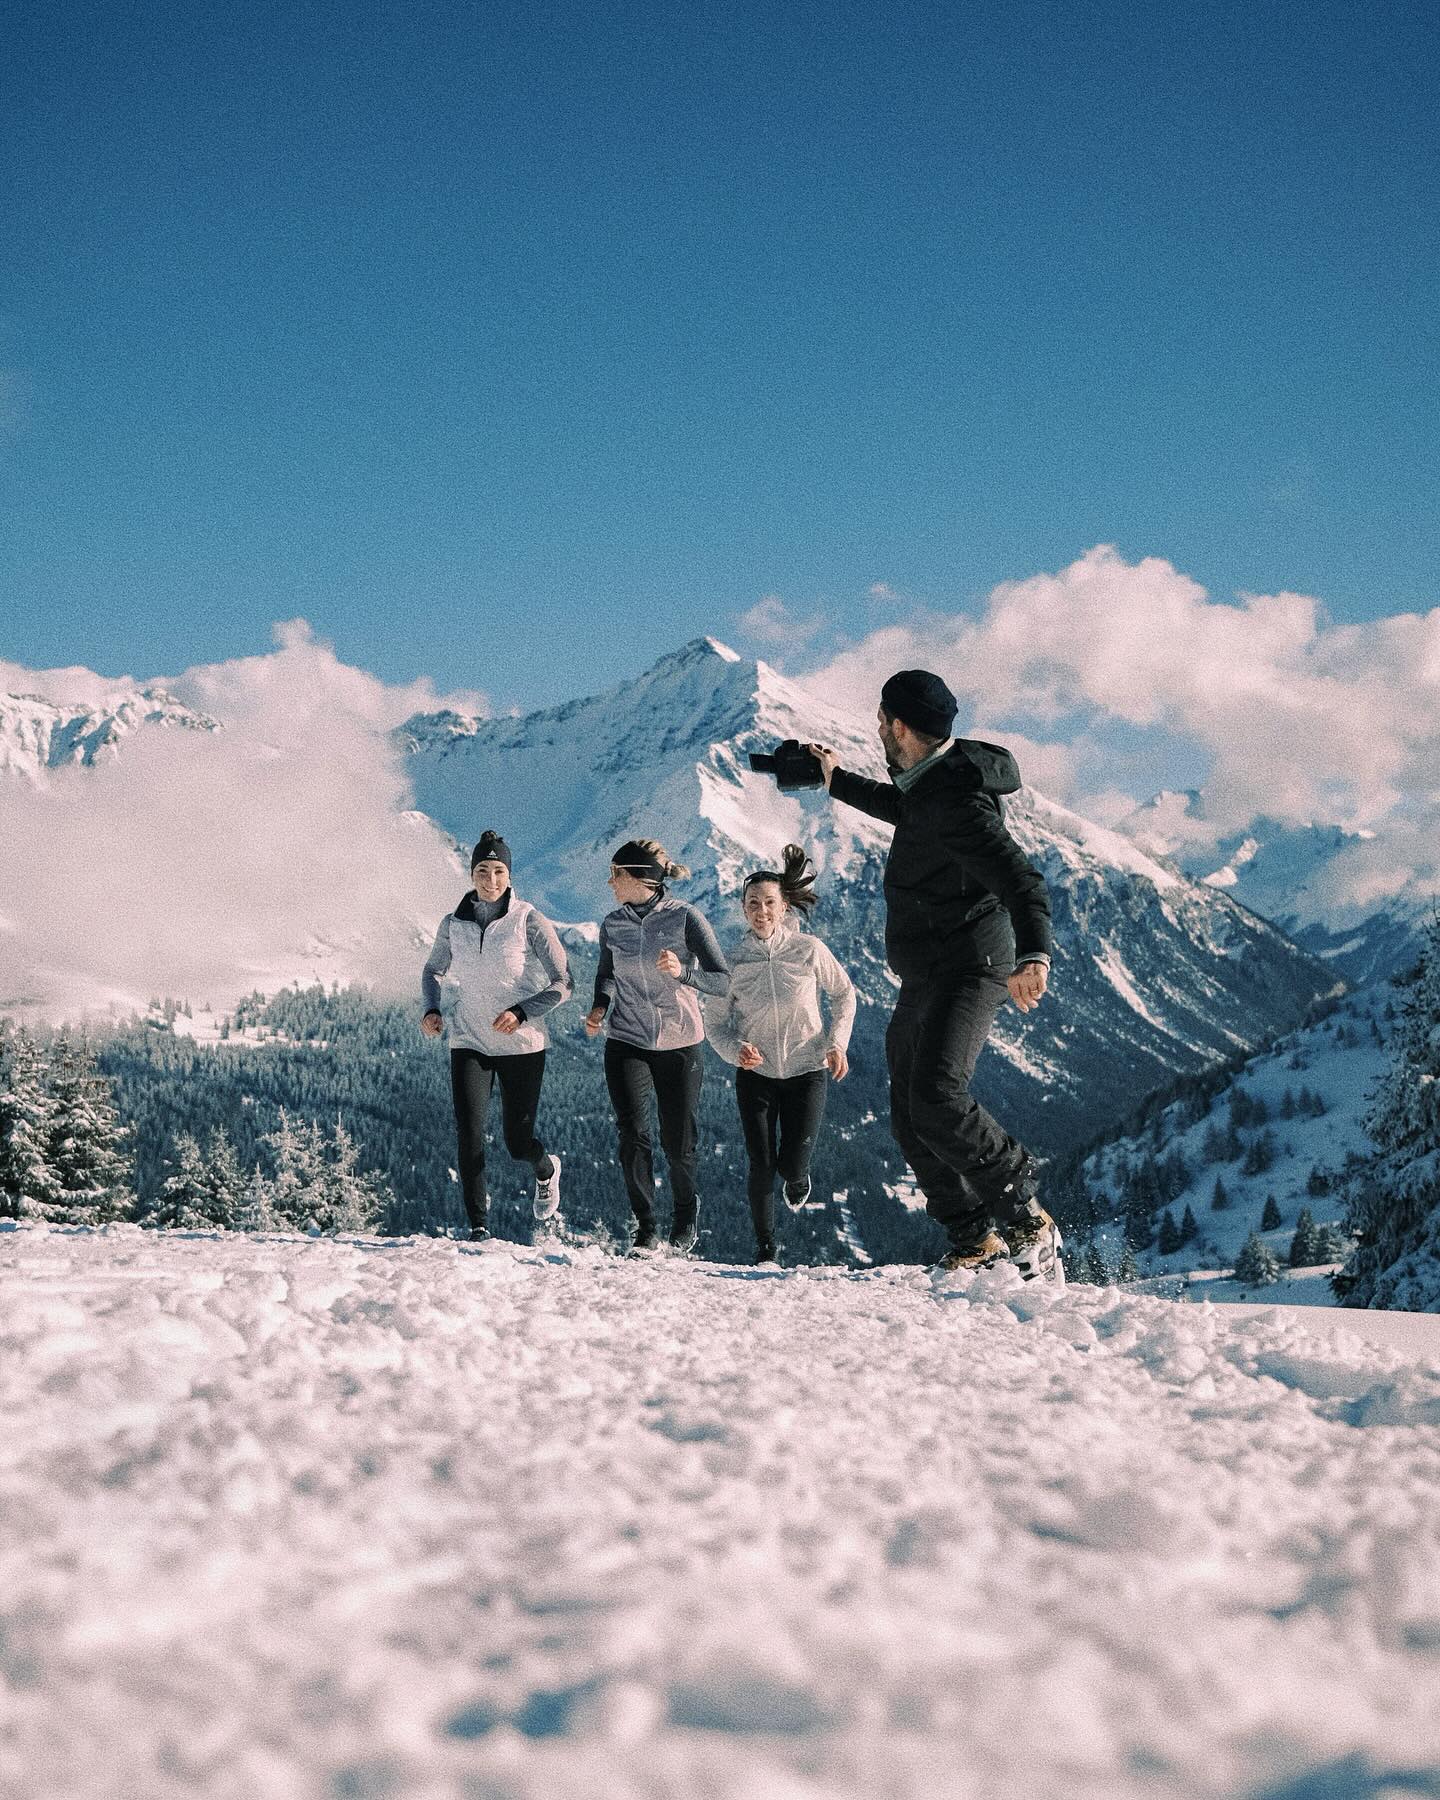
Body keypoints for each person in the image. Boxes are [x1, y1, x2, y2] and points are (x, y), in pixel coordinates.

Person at [806, 669, 1061, 1281]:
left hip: (973, 965)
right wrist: (835, 779)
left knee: (938, 1096)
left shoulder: (961, 803)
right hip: (929, 970)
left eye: (879, 723)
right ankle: (975, 1238)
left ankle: (1026, 1217)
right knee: (908, 1109)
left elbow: (1021, 881)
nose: (877, 731)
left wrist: (1035, 957)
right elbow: (905, 809)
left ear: (899, 727)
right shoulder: (931, 784)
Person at [703, 845, 856, 1265]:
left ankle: (798, 1176)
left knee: (790, 1165)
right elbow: (714, 1024)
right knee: (760, 1162)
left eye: (770, 903)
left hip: (807, 1069)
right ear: (742, 909)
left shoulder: (809, 949)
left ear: (784, 906)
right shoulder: (730, 962)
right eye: (753, 904)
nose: (762, 911)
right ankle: (765, 1247)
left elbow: (844, 994)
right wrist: (736, 1050)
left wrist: (836, 1043)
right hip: (756, 1074)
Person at [422, 830, 572, 1241]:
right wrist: (432, 1008)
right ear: (471, 874)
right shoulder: (454, 924)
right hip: (469, 1039)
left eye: (499, 871)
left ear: (509, 875)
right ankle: (478, 1228)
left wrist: (522, 1012)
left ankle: (547, 1169)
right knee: (469, 1131)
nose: (491, 880)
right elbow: (433, 970)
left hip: (521, 1045)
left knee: (517, 1142)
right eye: (483, 871)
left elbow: (564, 983)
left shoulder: (528, 919)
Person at [583, 839, 730, 1254]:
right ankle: (646, 1227)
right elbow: (606, 975)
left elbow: (722, 979)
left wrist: (684, 972)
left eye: (616, 874)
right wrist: (599, 1007)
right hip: (626, 1039)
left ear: (639, 878)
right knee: (633, 1135)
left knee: (678, 1142)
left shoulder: (686, 919)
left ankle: (685, 1215)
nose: (609, 882)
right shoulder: (613, 924)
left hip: (681, 1042)